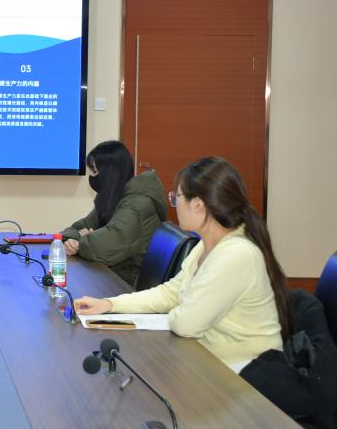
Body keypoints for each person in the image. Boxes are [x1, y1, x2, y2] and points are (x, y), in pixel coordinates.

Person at [74, 156, 290, 372]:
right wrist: (109, 305)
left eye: (176, 197)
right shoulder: (205, 245)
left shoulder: (237, 254)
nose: (174, 205)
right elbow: (171, 293)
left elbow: (186, 324)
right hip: (211, 360)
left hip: (245, 371)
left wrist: (181, 307)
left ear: (197, 205)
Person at [60, 141, 167, 285]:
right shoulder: (112, 198)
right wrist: (77, 237)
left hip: (129, 281)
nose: (93, 178)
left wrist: (82, 240)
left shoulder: (137, 204)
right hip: (113, 272)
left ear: (110, 173)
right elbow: (77, 227)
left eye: (95, 172)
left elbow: (108, 244)